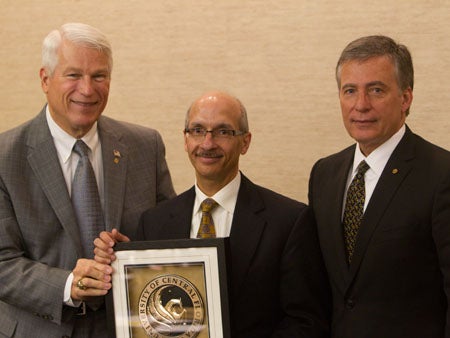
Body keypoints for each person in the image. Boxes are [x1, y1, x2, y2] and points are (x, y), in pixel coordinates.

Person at [95, 91, 331, 337]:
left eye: (223, 131)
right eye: (197, 130)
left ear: (245, 142)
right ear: (185, 140)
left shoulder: (289, 220)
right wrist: (127, 263)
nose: (208, 143)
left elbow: (306, 322)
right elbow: (146, 312)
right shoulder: (154, 223)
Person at [0, 23, 175, 337]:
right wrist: (69, 285)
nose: (88, 89)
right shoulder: (4, 157)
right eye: (73, 75)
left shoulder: (145, 146)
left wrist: (136, 252)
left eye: (99, 76)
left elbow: (172, 242)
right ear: (45, 79)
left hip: (129, 326)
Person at [308, 35, 450, 337]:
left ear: (406, 98)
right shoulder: (324, 174)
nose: (361, 105)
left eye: (376, 90)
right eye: (350, 91)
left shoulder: (442, 174)